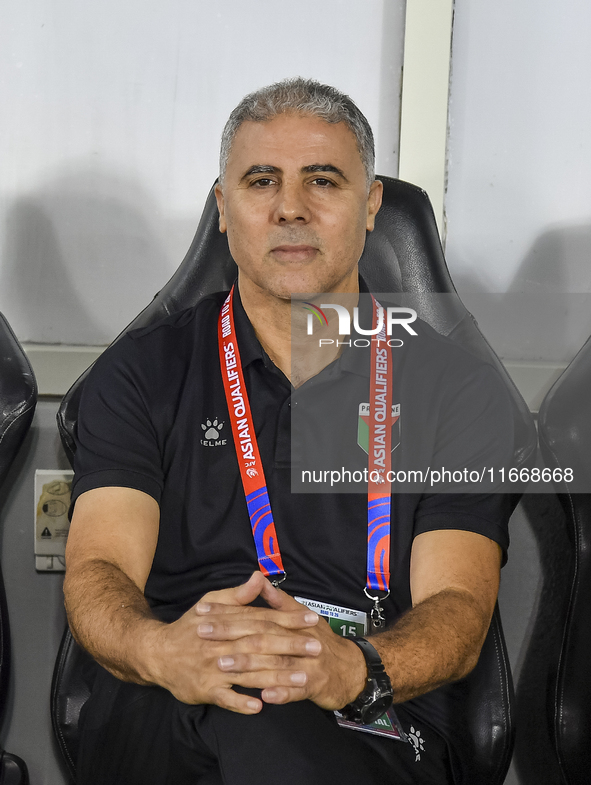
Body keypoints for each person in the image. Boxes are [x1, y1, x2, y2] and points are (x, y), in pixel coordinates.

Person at [64, 78, 513, 785]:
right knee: (225, 720)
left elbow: (456, 608)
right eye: (260, 180)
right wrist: (161, 651)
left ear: (369, 207)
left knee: (276, 736)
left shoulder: (455, 388)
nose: (290, 208)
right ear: (223, 207)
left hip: (366, 697)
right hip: (171, 687)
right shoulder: (143, 370)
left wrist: (351, 667)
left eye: (323, 181)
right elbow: (99, 570)